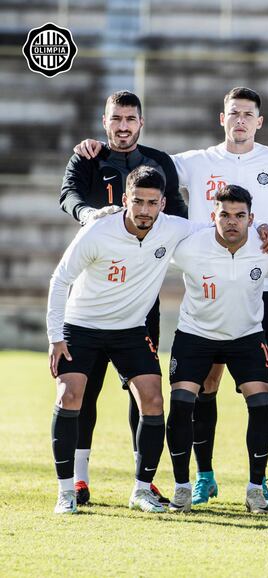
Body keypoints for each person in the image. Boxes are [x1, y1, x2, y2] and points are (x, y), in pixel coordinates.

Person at [74, 90, 268, 507]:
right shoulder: (194, 161)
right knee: (205, 383)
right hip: (209, 286)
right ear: (220, 119)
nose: (240, 121)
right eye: (233, 114)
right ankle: (203, 475)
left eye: (247, 115)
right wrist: (93, 153)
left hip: (263, 290)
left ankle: (263, 483)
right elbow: (141, 167)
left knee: (265, 387)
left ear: (258, 122)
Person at [47, 166, 200, 514]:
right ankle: (66, 491)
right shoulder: (98, 232)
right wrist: (56, 338)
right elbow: (60, 280)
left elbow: (215, 229)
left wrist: (261, 229)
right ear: (126, 199)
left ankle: (142, 490)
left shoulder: (172, 227)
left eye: (152, 203)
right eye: (138, 201)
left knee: (153, 399)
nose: (145, 210)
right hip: (81, 326)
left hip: (130, 329)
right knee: (69, 395)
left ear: (163, 202)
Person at [60, 90, 187, 505]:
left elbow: (179, 209)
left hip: (140, 296)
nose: (123, 126)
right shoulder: (88, 157)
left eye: (130, 119)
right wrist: (88, 216)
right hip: (94, 290)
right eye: (116, 119)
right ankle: (78, 479)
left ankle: (143, 480)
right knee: (85, 390)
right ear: (105, 121)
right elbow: (68, 195)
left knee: (144, 389)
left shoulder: (160, 162)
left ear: (141, 122)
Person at [165, 185, 268, 514]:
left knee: (262, 403)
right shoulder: (189, 248)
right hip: (195, 335)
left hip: (246, 336)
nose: (232, 222)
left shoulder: (266, 245)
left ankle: (256, 489)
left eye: (240, 216)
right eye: (225, 215)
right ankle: (182, 488)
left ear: (251, 218)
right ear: (213, 216)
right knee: (182, 402)